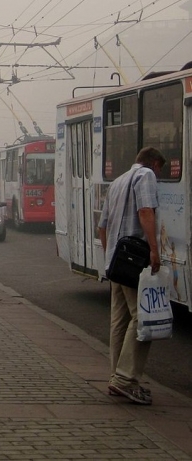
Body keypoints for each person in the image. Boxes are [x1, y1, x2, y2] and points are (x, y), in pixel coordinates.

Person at [98, 146, 166, 406]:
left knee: (119, 321)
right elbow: (146, 212)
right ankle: (125, 380)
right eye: (159, 169)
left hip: (116, 262)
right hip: (135, 259)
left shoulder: (117, 182)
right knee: (142, 319)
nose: (158, 176)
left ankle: (117, 377)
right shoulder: (145, 176)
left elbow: (102, 226)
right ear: (154, 164)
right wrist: (154, 251)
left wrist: (110, 258)